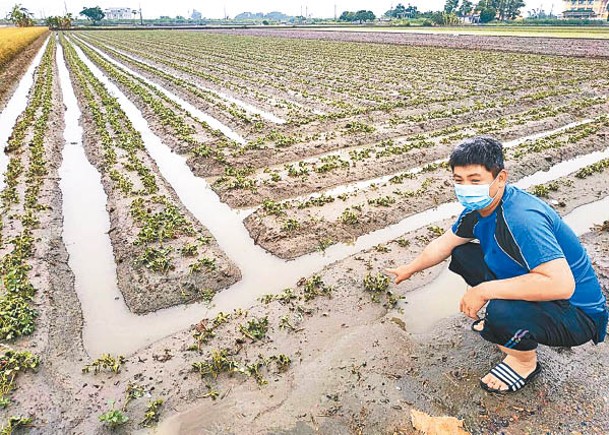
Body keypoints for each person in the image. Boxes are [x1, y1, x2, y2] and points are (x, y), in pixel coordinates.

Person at [385, 136, 608, 394]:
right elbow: (444, 244)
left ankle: (523, 362)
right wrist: (410, 268)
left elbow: (561, 285)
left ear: (500, 178)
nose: (465, 188)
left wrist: (483, 291)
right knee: (463, 253)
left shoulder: (522, 219)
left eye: (475, 180)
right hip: (548, 292)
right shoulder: (478, 210)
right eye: (459, 181)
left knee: (501, 311)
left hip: (578, 314)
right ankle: (512, 324)